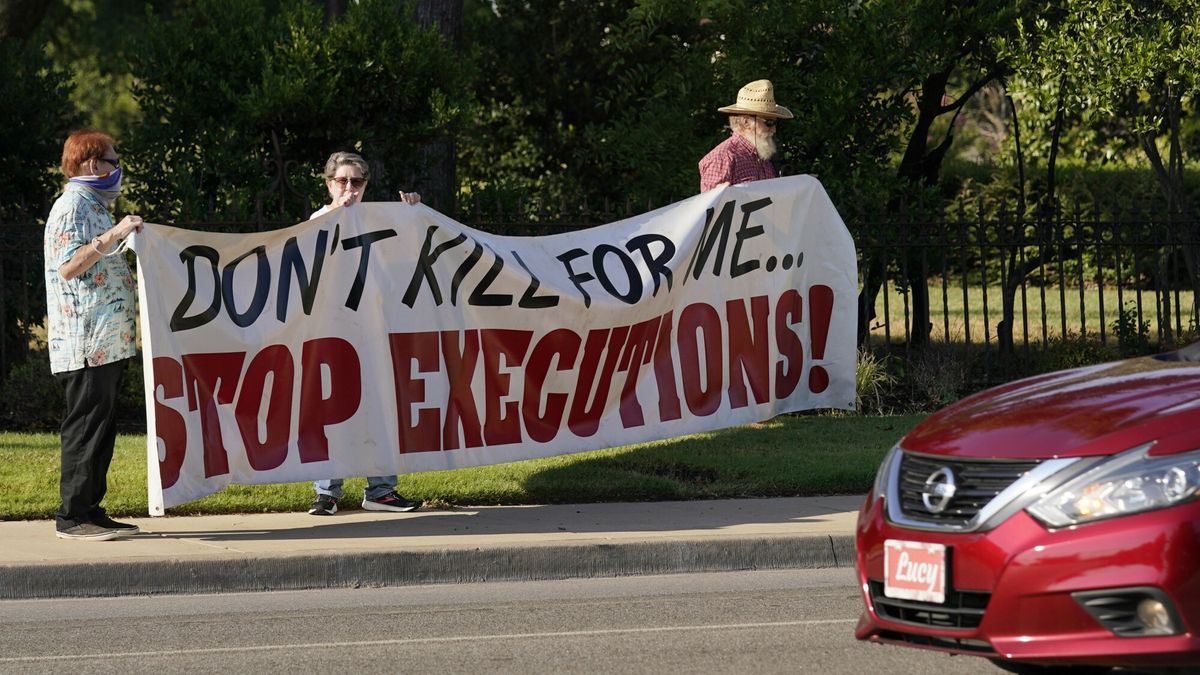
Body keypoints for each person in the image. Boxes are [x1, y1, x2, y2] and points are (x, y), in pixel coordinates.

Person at [308, 151, 423, 516]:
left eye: (356, 182)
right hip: (332, 329)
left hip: (374, 327)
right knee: (332, 409)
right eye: (342, 181)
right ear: (329, 184)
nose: (349, 188)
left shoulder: (380, 220)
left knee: (380, 405)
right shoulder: (318, 219)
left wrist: (412, 214)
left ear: (366, 186)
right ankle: (328, 492)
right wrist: (337, 210)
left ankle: (381, 489)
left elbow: (412, 253)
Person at [44, 128, 144, 541]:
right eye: (112, 161)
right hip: (86, 341)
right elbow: (69, 265)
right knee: (85, 425)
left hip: (106, 341)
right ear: (92, 164)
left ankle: (91, 508)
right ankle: (72, 516)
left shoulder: (95, 206)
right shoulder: (72, 207)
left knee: (101, 425)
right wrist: (116, 234)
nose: (116, 169)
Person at [699, 79, 793, 192]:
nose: (773, 129)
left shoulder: (762, 156)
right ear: (746, 122)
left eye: (775, 123)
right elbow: (712, 206)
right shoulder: (723, 157)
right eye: (769, 122)